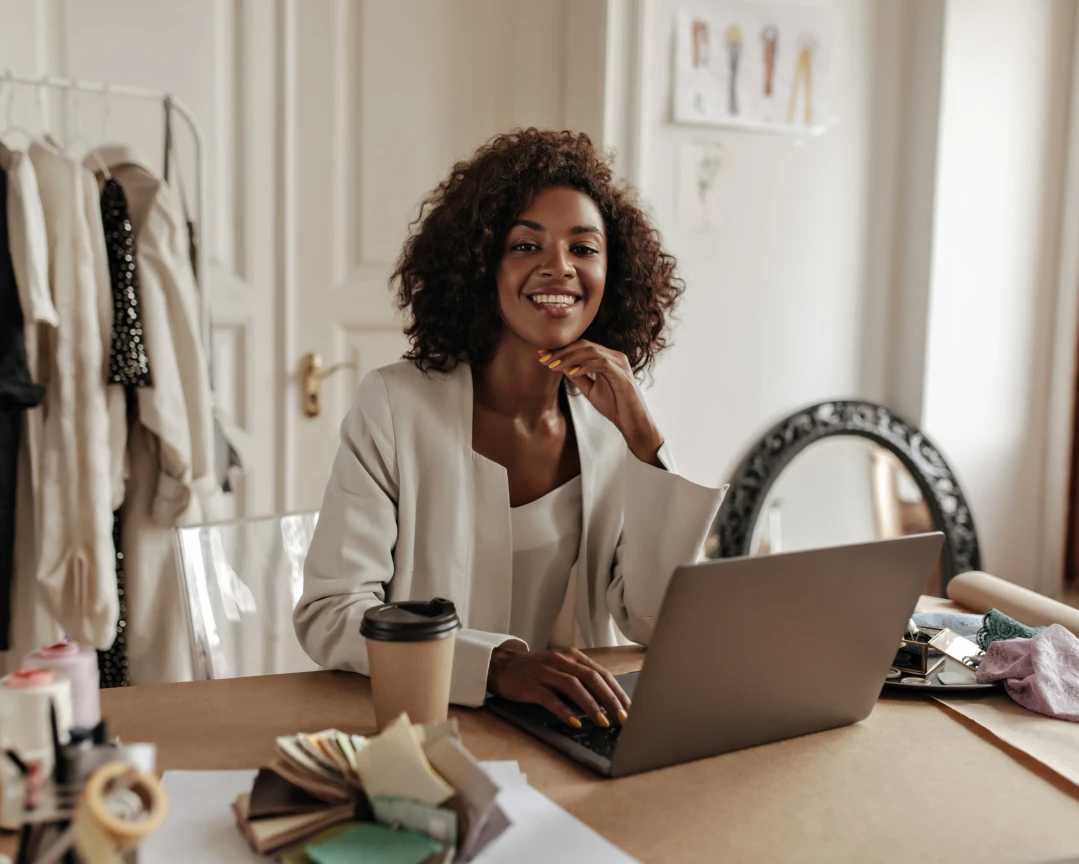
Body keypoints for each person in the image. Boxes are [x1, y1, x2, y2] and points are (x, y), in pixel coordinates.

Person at [294, 129, 726, 729]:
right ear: (481, 264)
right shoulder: (396, 405)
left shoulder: (610, 426)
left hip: (574, 732)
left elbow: (653, 621)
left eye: (584, 248)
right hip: (427, 729)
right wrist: (493, 667)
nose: (559, 268)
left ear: (613, 271)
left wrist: (647, 448)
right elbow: (331, 610)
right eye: (527, 245)